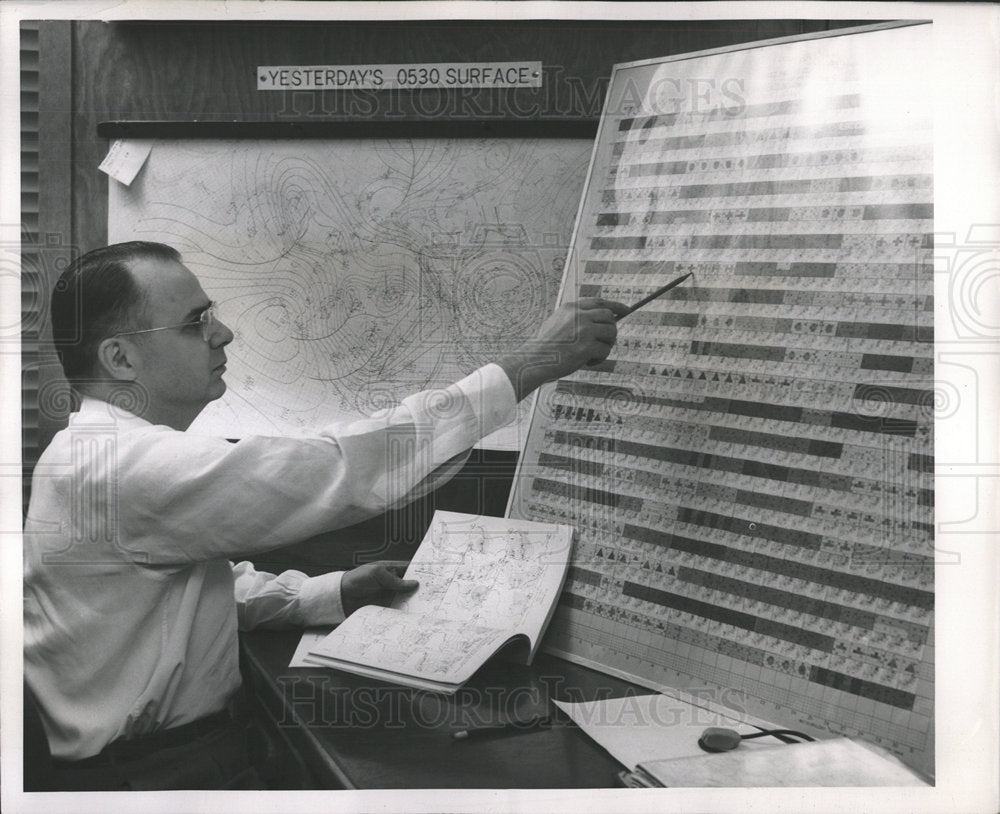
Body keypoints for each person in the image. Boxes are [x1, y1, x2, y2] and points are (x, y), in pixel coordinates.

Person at [23, 240, 627, 790]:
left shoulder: (93, 453)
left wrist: (330, 593)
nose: (223, 333)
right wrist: (528, 366)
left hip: (155, 763)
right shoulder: (122, 465)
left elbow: (178, 592)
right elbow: (339, 469)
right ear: (121, 359)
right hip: (155, 777)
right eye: (194, 322)